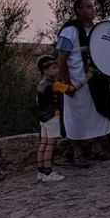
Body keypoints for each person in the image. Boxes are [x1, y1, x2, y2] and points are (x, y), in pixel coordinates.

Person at [56, 0, 110, 166]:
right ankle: (78, 154)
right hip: (76, 82)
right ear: (79, 11)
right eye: (88, 7)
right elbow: (62, 59)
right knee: (76, 117)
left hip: (96, 81)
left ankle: (97, 148)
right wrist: (67, 82)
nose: (93, 10)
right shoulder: (69, 31)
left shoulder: (97, 30)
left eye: (93, 6)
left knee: (98, 113)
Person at [35, 54, 71, 182]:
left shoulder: (41, 84)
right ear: (45, 70)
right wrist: (84, 80)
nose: (57, 70)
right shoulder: (54, 84)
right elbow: (70, 89)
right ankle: (48, 172)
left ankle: (41, 171)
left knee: (43, 145)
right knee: (50, 145)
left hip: (43, 118)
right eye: (54, 68)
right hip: (53, 116)